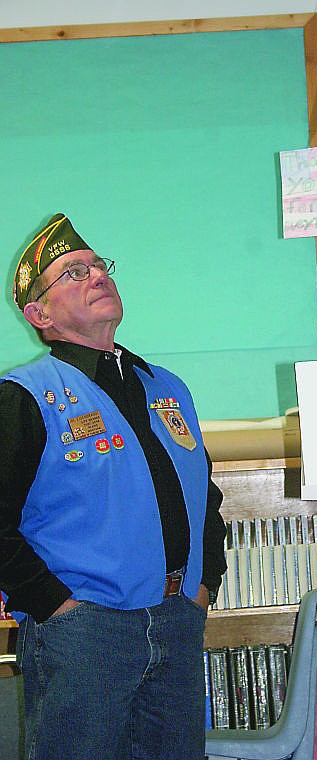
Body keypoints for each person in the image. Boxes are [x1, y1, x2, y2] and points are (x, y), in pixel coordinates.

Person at [0, 213, 227, 760]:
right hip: (83, 634)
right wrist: (57, 608)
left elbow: (206, 502)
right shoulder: (26, 396)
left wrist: (203, 589)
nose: (97, 274)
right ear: (39, 314)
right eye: (74, 272)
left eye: (99, 265)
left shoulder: (167, 388)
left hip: (177, 622)